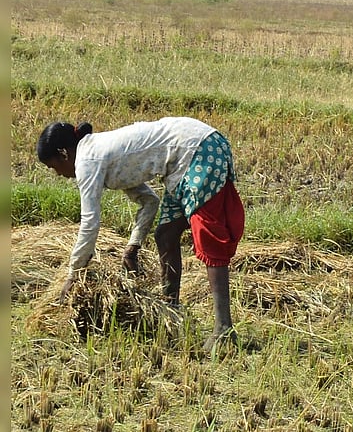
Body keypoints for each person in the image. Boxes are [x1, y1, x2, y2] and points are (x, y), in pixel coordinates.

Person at [37, 117, 245, 350]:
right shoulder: (100, 154)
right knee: (165, 234)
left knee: (208, 238)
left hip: (198, 149)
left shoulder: (88, 160)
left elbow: (89, 223)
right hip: (181, 161)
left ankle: (223, 329)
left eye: (53, 166)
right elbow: (149, 201)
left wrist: (74, 273)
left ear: (63, 153)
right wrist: (133, 246)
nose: (57, 174)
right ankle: (171, 310)